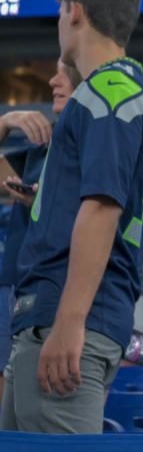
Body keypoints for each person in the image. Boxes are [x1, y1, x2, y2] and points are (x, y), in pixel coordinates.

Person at [1, 0, 143, 434]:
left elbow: (101, 208)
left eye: (58, 13)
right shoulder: (125, 93)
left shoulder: (108, 91)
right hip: (60, 314)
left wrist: (69, 322)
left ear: (75, 13)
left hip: (72, 317)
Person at [0, 60, 81, 405]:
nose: (52, 80)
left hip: (59, 291)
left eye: (66, 71)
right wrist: (4, 123)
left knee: (44, 412)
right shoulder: (48, 139)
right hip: (17, 281)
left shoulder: (100, 141)